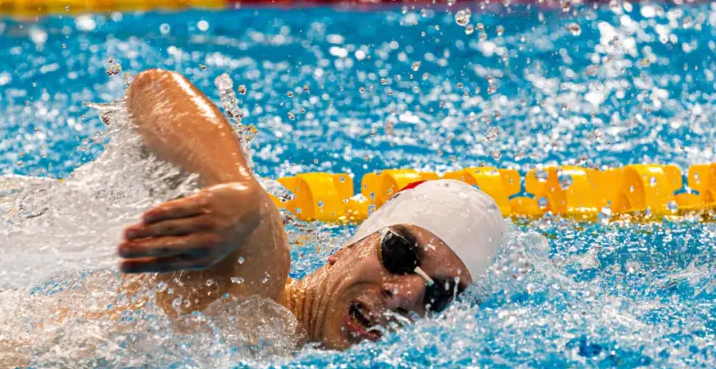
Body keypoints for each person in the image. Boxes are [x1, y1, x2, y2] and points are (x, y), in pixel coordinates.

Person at [117, 68, 508, 350]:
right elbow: (155, 88)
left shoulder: (293, 349)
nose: (403, 294)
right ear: (347, 248)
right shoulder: (257, 283)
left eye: (439, 295)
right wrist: (237, 190)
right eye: (400, 254)